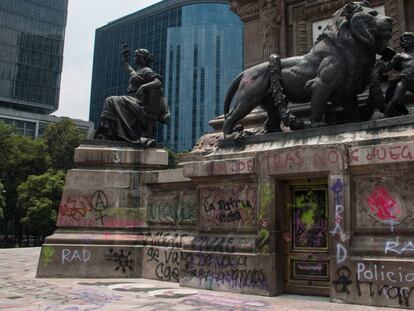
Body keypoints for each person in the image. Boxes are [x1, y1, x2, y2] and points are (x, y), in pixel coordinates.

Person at [94, 45, 169, 146]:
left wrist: (143, 87)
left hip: (140, 104)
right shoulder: (139, 71)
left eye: (136, 56)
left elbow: (158, 82)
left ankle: (107, 132)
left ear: (141, 58)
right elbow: (131, 72)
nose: (134, 58)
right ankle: (107, 133)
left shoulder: (147, 70)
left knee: (111, 100)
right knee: (111, 100)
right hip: (132, 101)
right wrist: (125, 62)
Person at [383, 32, 414, 117]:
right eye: (403, 40)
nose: (405, 41)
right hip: (405, 80)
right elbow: (387, 68)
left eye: (408, 39)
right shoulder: (399, 56)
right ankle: (386, 116)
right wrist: (381, 65)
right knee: (395, 98)